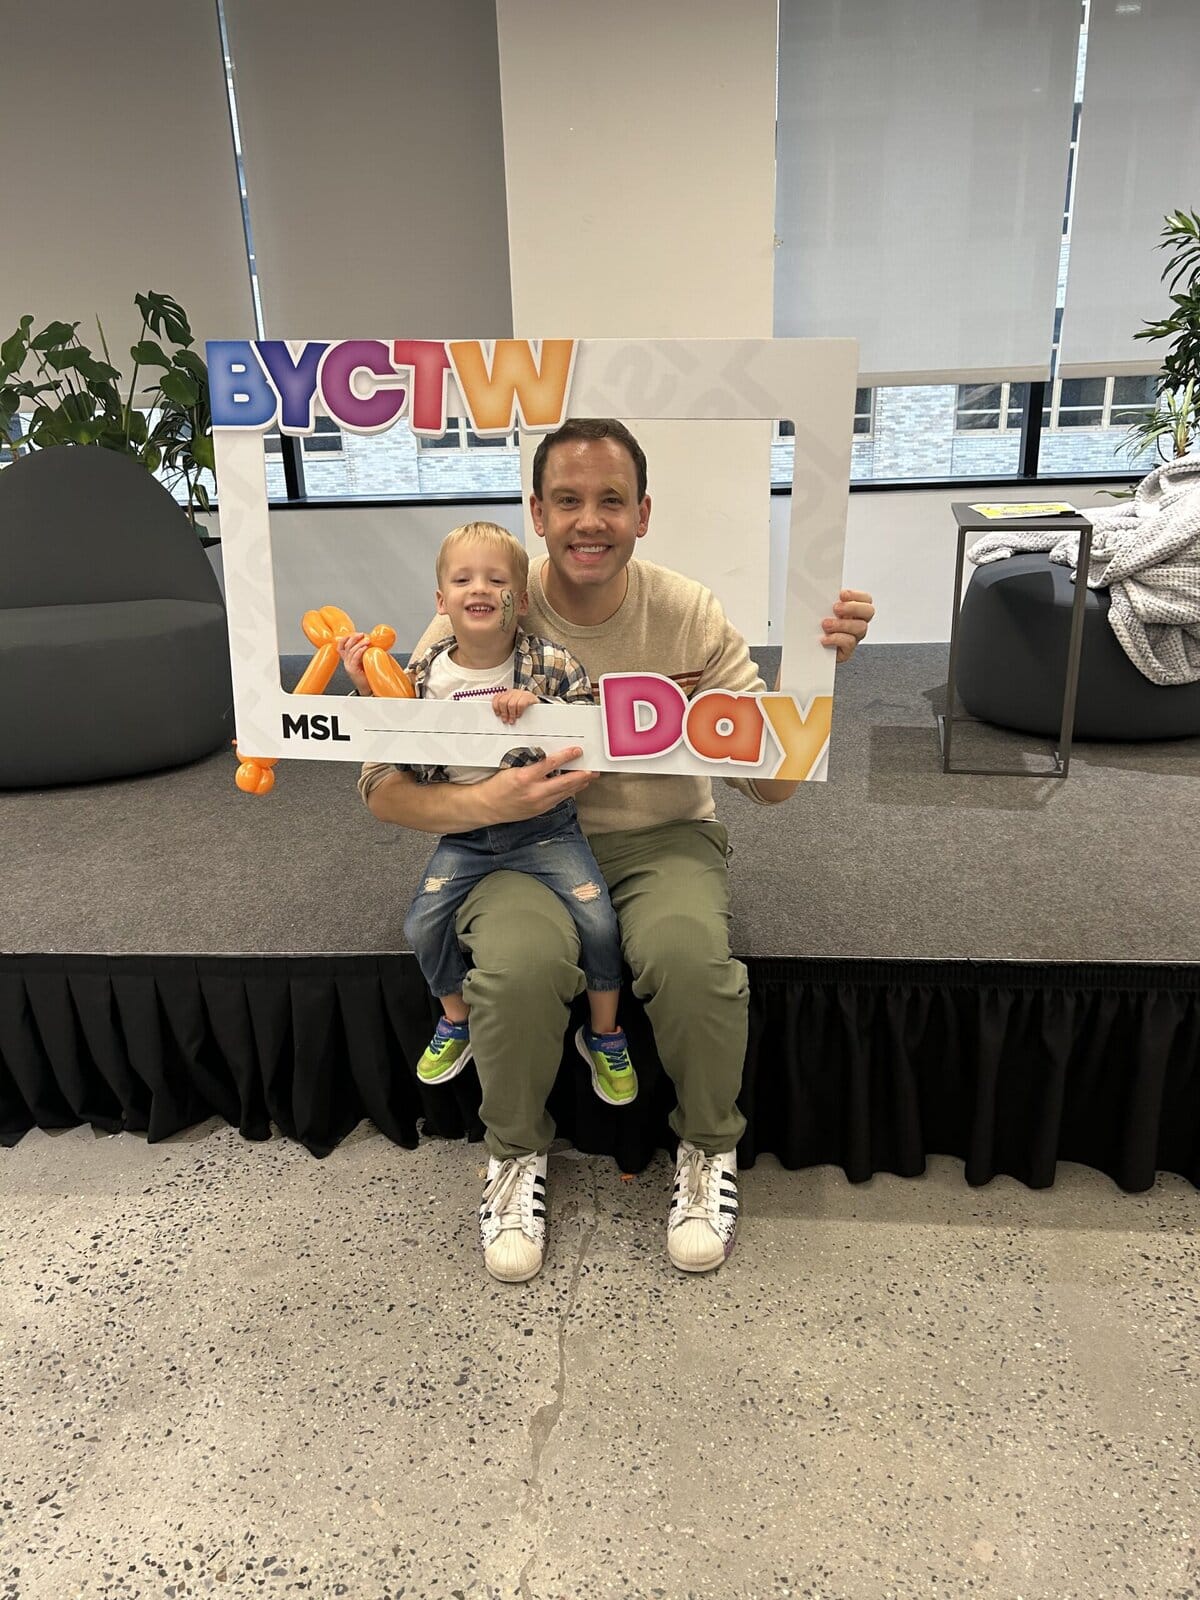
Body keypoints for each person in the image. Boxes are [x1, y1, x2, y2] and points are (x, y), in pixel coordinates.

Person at [348, 420, 875, 1284]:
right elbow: (382, 783)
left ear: (642, 514)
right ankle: (514, 1155)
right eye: (567, 500)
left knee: (689, 959)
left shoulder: (688, 612)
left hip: (663, 838)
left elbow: (771, 786)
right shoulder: (479, 605)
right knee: (517, 968)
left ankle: (708, 1151)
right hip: (514, 845)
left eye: (611, 501)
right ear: (537, 515)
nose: (589, 520)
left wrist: (818, 673)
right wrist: (485, 802)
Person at [340, 522, 638, 1132]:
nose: (479, 588)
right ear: (441, 600)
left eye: (495, 579)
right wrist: (365, 687)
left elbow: (592, 725)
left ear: (519, 600)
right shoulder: (423, 675)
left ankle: (604, 1031)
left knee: (599, 920)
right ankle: (456, 1017)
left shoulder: (548, 662)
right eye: (462, 579)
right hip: (468, 833)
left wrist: (541, 707)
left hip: (548, 829)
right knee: (420, 922)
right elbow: (393, 740)